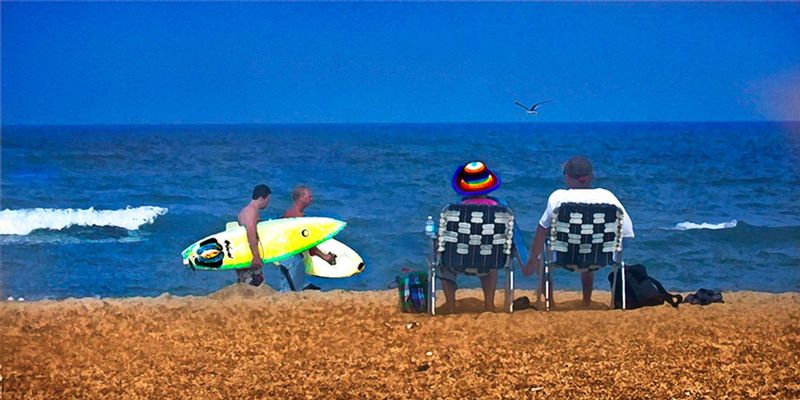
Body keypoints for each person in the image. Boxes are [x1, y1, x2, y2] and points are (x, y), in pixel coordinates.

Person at [523, 156, 634, 307]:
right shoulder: (608, 197)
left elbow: (541, 230)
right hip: (600, 257)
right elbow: (627, 233)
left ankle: (550, 302)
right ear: (591, 176)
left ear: (567, 177)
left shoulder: (559, 198)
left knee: (544, 248)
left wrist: (532, 260)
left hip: (564, 257)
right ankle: (586, 300)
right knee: (590, 242)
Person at [439, 161, 527, 313]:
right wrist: (524, 261)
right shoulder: (500, 209)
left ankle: (451, 305)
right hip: (489, 261)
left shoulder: (453, 210)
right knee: (491, 254)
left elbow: (446, 237)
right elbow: (511, 236)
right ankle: (489, 305)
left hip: (456, 260)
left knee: (444, 261)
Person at [277, 185, 335, 291]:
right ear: (301, 198)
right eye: (309, 197)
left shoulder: (287, 214)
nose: (311, 199)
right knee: (290, 293)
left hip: (287, 258)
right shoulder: (299, 217)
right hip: (292, 260)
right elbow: (308, 243)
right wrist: (325, 257)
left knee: (290, 290)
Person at [236, 184, 272, 286]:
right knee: (256, 285)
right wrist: (255, 256)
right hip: (249, 255)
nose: (267, 203)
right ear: (261, 198)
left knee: (245, 284)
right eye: (267, 200)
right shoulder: (252, 211)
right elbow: (251, 231)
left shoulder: (244, 211)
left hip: (243, 253)